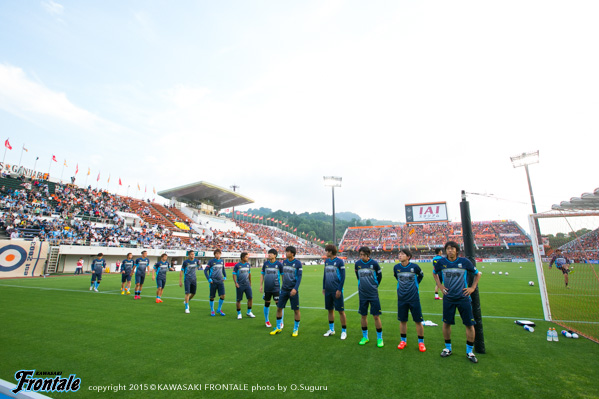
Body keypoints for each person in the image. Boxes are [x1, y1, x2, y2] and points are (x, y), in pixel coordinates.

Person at [433, 241, 482, 363]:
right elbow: (434, 273)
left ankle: (469, 352)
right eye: (448, 248)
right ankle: (448, 348)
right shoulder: (441, 262)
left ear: (456, 250)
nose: (450, 250)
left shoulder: (465, 262)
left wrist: (472, 288)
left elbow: (478, 274)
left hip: (463, 297)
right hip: (448, 298)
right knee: (446, 323)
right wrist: (440, 286)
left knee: (469, 324)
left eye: (452, 248)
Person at [393, 248, 426, 352]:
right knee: (403, 320)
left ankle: (421, 342)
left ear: (408, 257)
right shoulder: (396, 267)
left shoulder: (414, 267)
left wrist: (415, 285)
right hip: (402, 298)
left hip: (414, 298)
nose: (400, 256)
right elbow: (396, 277)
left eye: (402, 254)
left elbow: (421, 275)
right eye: (399, 254)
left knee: (418, 321)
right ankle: (403, 341)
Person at [270, 246, 302, 337]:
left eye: (287, 252)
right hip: (284, 290)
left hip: (293, 290)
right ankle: (278, 327)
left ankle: (296, 329)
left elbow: (299, 277)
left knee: (296, 310)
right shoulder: (284, 262)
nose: (286, 253)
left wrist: (295, 288)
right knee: (279, 308)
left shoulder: (298, 263)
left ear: (292, 253)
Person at [355, 246, 384, 347]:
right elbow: (357, 276)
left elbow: (380, 277)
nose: (361, 256)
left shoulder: (374, 264)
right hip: (362, 293)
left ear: (368, 255)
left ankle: (379, 338)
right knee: (363, 315)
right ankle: (365, 337)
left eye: (363, 255)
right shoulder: (357, 264)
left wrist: (374, 286)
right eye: (360, 255)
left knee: (376, 316)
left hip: (373, 293)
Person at [322, 244, 347, 340]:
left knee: (341, 311)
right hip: (328, 290)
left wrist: (339, 289)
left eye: (327, 251)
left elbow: (343, 276)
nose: (326, 252)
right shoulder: (327, 261)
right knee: (330, 310)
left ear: (331, 252)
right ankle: (331, 329)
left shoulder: (340, 262)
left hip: (336, 290)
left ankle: (344, 331)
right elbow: (325, 275)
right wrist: (324, 287)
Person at [260, 249, 283, 328]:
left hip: (276, 288)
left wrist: (283, 286)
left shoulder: (279, 264)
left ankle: (281, 321)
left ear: (275, 255)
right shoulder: (265, 264)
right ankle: (267, 320)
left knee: (279, 305)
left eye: (270, 254)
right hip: (267, 288)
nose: (269, 255)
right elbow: (262, 274)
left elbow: (283, 275)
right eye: (268, 254)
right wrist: (261, 285)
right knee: (267, 303)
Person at [232, 252, 255, 319]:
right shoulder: (237, 266)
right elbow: (234, 274)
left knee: (250, 298)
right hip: (240, 285)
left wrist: (250, 282)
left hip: (247, 284)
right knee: (239, 300)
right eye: (246, 257)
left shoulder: (248, 265)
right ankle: (239, 313)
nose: (247, 258)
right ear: (242, 258)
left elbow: (249, 274)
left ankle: (249, 312)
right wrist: (235, 283)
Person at [205, 249, 227, 316]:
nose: (218, 255)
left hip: (220, 281)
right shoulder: (211, 261)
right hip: (213, 281)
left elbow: (223, 269)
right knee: (212, 297)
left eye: (219, 254)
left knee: (223, 295)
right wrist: (209, 279)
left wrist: (225, 276)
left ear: (220, 254)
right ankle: (212, 310)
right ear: (214, 255)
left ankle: (219, 309)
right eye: (216, 254)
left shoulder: (221, 261)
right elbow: (205, 271)